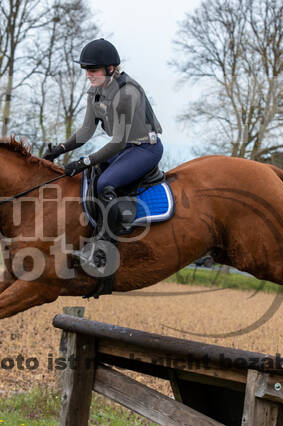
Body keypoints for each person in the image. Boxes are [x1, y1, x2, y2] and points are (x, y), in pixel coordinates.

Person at [43, 38, 163, 278]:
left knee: (105, 184)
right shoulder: (95, 92)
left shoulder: (127, 92)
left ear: (111, 68)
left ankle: (104, 249)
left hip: (144, 148)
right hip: (124, 149)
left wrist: (85, 161)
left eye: (93, 70)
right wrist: (61, 148)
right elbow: (87, 132)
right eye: (86, 70)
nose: (89, 75)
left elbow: (118, 141)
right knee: (88, 180)